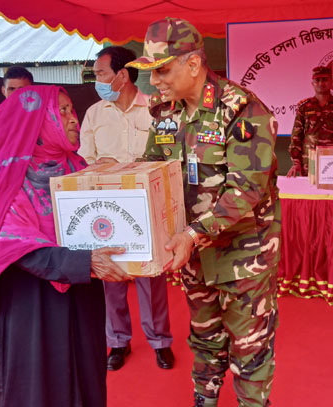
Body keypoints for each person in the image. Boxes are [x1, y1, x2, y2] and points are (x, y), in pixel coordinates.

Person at [127, 17, 282, 407]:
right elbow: (154, 170)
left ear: (193, 64)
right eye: (150, 72)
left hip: (244, 256)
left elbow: (247, 188)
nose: (154, 81)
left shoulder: (242, 109)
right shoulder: (165, 113)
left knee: (250, 349)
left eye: (161, 70)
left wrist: (193, 233)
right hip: (192, 254)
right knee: (205, 338)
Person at [0, 85, 133, 407]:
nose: (74, 120)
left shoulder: (79, 168)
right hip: (31, 302)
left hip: (82, 294)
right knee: (37, 385)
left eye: (72, 110)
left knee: (86, 373)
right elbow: (13, 244)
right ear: (36, 121)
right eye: (64, 111)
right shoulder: (4, 176)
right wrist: (85, 263)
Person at [80, 46, 174, 371]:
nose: (97, 81)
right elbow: (85, 160)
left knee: (152, 277)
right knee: (112, 276)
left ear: (122, 75)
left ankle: (160, 341)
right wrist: (100, 165)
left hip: (147, 207)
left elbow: (169, 157)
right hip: (106, 209)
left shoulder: (157, 110)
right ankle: (118, 341)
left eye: (101, 74)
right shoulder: (94, 113)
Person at [287, 65, 333, 177]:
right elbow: (296, 137)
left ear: (332, 82)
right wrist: (296, 162)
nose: (321, 83)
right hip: (309, 164)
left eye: (325, 79)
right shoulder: (304, 107)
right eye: (317, 80)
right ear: (312, 83)